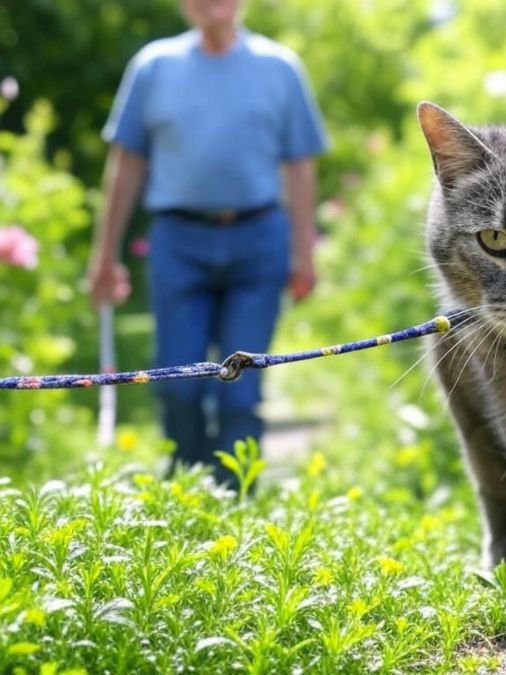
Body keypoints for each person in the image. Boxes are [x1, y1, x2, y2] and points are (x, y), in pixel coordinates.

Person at [88, 0, 327, 485]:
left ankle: (237, 500)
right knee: (180, 384)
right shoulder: (154, 67)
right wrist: (105, 256)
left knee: (240, 386)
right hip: (179, 241)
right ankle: (185, 493)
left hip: (259, 238)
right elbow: (126, 164)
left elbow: (300, 166)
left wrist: (305, 253)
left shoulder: (280, 68)